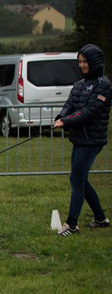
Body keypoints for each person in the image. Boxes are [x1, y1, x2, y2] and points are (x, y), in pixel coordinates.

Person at [53, 44, 111, 236]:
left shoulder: (104, 85)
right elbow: (70, 104)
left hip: (93, 140)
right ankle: (101, 219)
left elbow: (89, 112)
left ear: (94, 62)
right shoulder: (79, 85)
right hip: (78, 139)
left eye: (85, 61)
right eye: (80, 61)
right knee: (80, 180)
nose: (82, 65)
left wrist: (66, 122)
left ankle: (71, 225)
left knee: (77, 179)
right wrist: (61, 117)